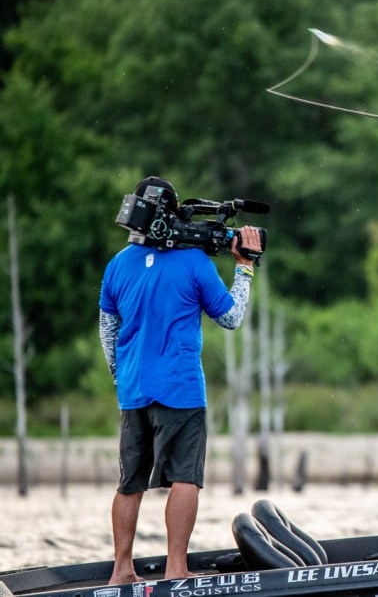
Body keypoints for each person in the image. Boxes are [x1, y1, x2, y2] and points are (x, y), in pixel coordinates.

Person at [99, 176, 263, 583]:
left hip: (133, 390)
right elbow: (231, 317)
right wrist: (244, 268)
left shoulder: (117, 265)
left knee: (129, 483)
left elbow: (108, 332)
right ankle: (176, 569)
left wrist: (122, 378)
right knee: (185, 478)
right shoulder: (194, 263)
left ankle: (122, 571)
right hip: (181, 388)